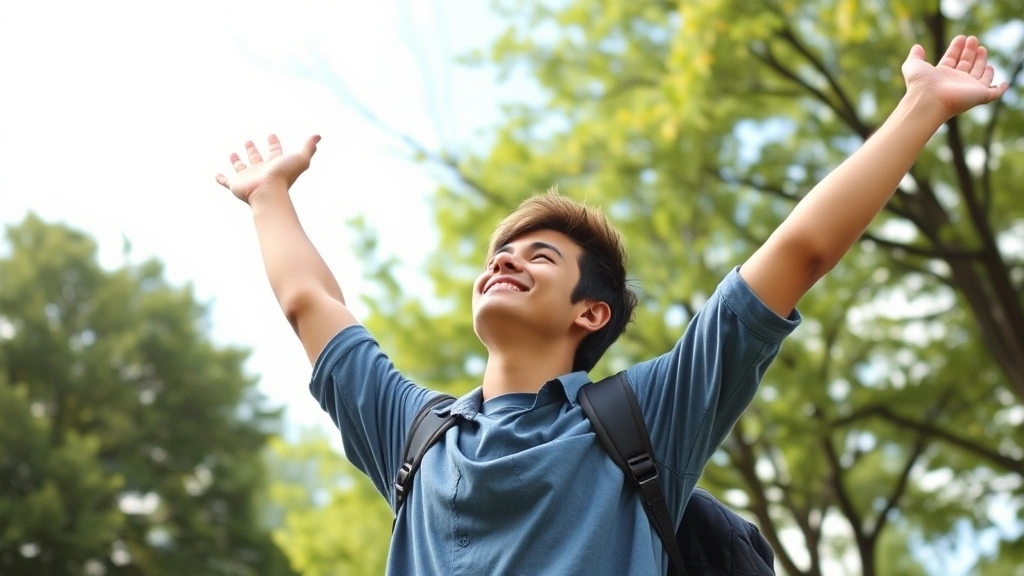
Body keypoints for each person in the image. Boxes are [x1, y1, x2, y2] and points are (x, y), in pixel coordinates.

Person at [214, 35, 1008, 575]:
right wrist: (268, 197)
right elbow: (310, 301)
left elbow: (797, 254)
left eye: (540, 256)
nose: (506, 260)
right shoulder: (413, 436)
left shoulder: (645, 422)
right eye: (501, 252)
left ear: (590, 313)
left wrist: (922, 108)